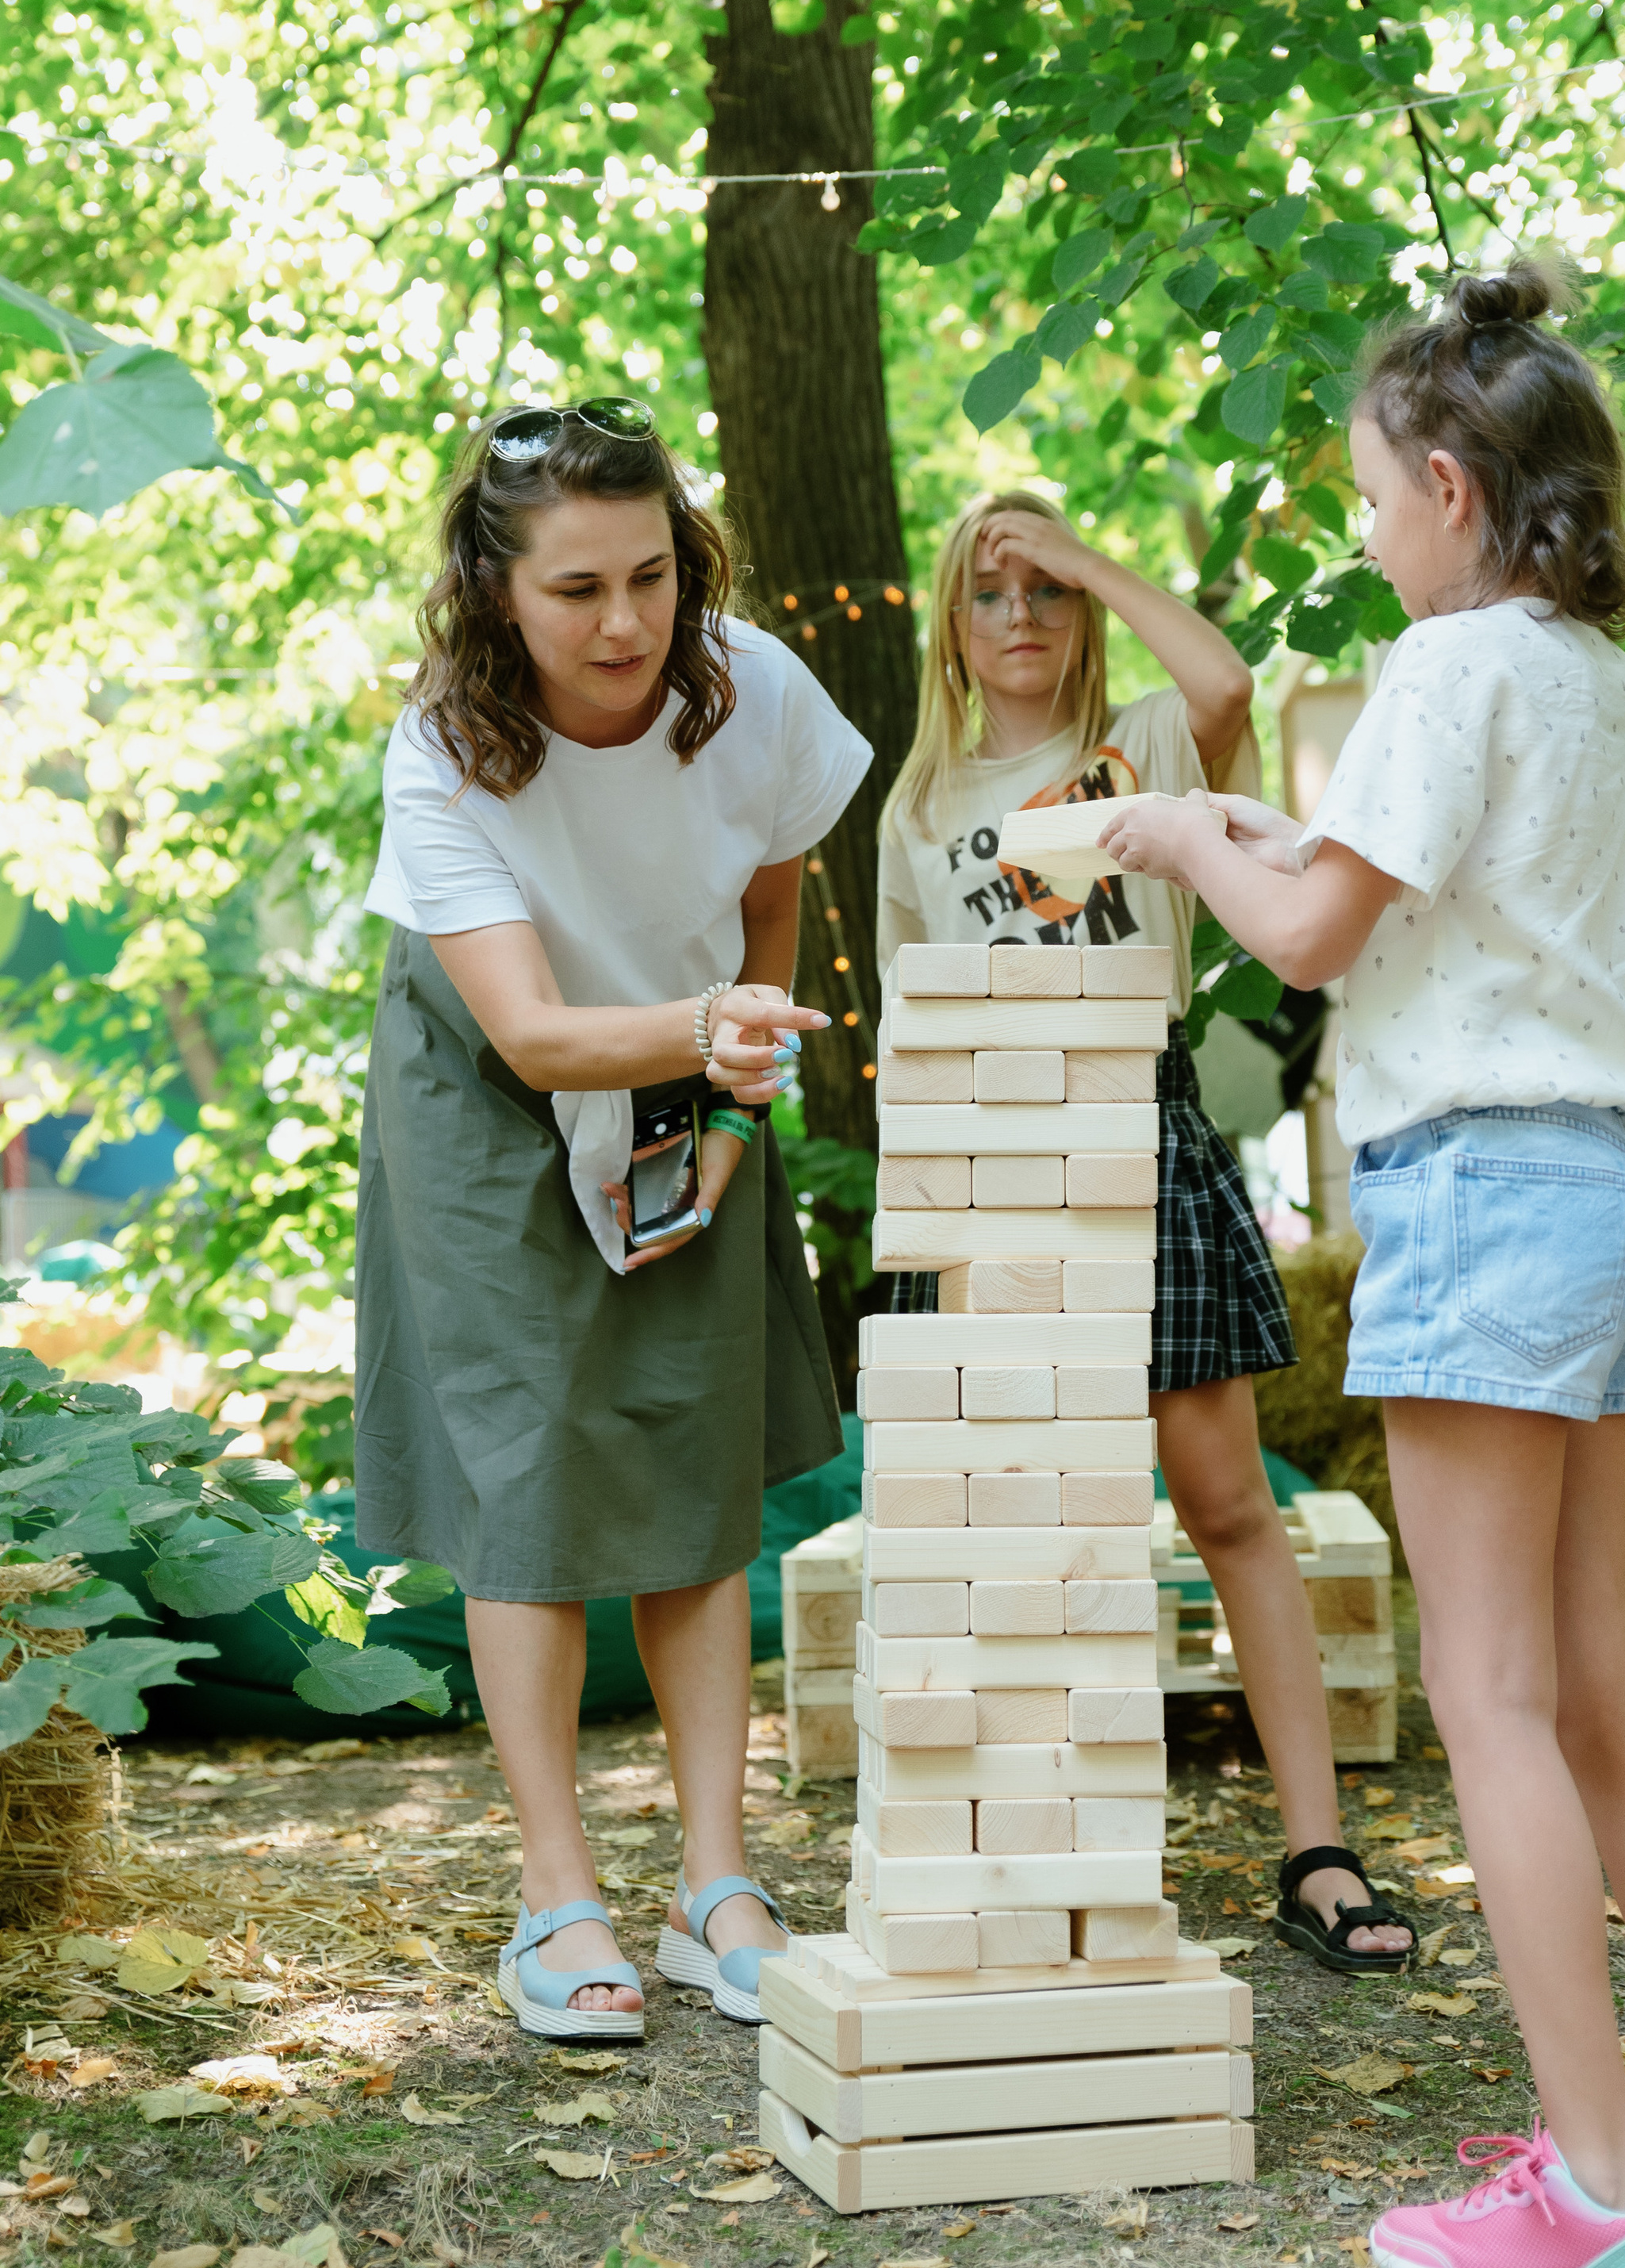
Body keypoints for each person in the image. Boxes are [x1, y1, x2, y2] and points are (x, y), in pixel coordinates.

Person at [1097, 262, 1625, 2268]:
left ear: (1443, 485)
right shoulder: (1584, 674)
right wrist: (1259, 828)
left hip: (1482, 1200)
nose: (1358, 529)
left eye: (1365, 494)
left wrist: (1173, 829)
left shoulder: (1442, 670)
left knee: (1493, 1698)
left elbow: (1321, 940)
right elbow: (1419, 896)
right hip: (1600, 1193)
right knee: (1597, 1688)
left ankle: (1597, 2193)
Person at [355, 399, 871, 2040]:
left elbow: (772, 909)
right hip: (491, 1083)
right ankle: (555, 1893)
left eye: (650, 576)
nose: (625, 623)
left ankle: (714, 1880)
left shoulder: (753, 689)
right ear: (497, 592)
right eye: (576, 590)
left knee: (684, 1428)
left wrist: (724, 1124)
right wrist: (711, 1045)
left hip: (687, 1046)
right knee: (532, 1455)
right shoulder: (442, 744)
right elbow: (529, 1033)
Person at [877, 485, 1414, 1974]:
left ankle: (1315, 1851)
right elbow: (905, 1033)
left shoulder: (1150, 754)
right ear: (952, 629)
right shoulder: (917, 813)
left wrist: (1075, 548)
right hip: (990, 1155)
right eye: (992, 593)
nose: (1024, 618)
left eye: (1045, 592)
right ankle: (1033, 1852)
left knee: (1227, 1500)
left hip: (1142, 1121)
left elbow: (1230, 681)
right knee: (1024, 1528)